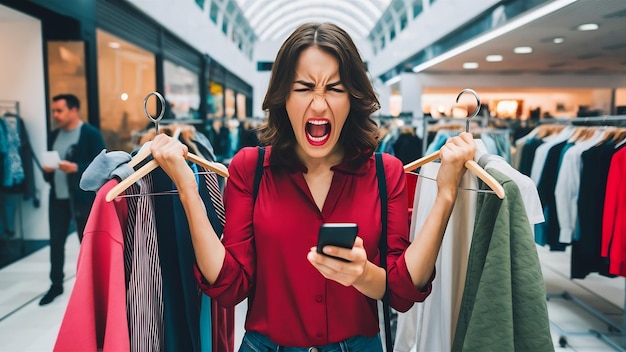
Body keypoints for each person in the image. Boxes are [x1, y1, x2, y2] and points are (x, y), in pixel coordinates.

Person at [150, 22, 476, 351]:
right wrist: (188, 190)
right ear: (283, 96)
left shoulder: (384, 171)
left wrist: (445, 195)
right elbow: (231, 286)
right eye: (304, 88)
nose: (319, 105)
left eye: (334, 88)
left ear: (353, 97)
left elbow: (403, 292)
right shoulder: (250, 169)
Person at [39, 94, 105, 306]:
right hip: (57, 196)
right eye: (54, 111)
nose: (56, 115)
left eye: (59, 110)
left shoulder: (90, 134)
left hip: (82, 198)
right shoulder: (54, 135)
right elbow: (49, 167)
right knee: (56, 241)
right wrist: (48, 170)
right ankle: (55, 285)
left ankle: (91, 287)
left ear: (73, 110)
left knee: (86, 242)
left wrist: (76, 168)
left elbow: (101, 166)